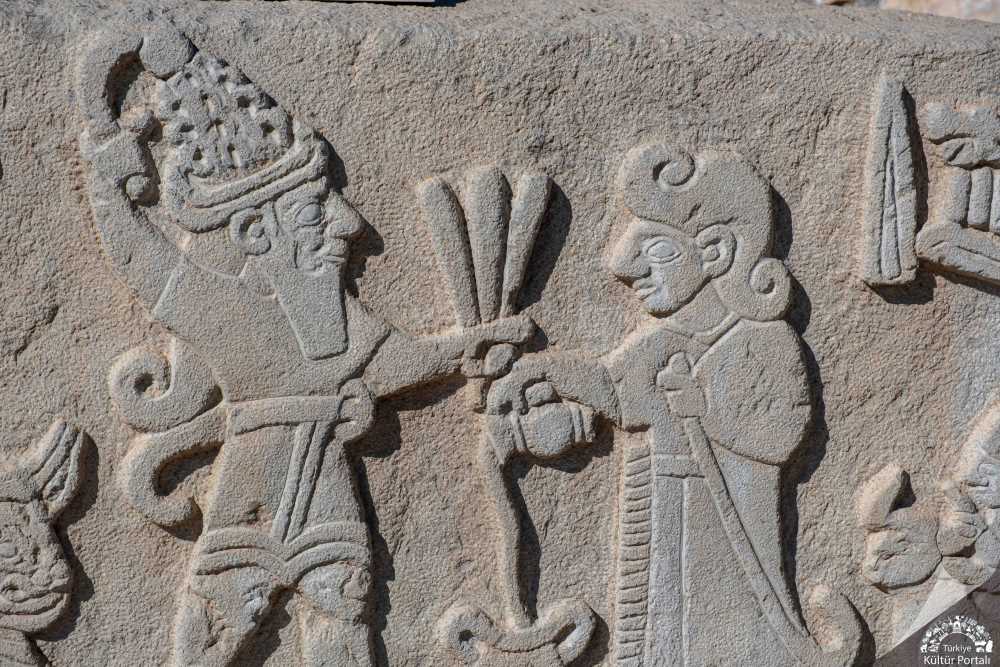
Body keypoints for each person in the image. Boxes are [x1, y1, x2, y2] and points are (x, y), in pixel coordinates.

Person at [81, 40, 530, 667]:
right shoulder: (223, 309)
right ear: (255, 231)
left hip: (327, 497)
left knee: (342, 625)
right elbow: (142, 261)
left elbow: (396, 362)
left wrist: (466, 349)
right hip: (247, 500)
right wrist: (108, 181)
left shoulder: (335, 313)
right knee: (214, 634)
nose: (350, 223)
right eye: (318, 210)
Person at [487, 142, 837, 665]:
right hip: (661, 514)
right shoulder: (660, 343)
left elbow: (781, 435)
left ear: (715, 251)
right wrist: (538, 374)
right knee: (660, 632)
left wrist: (705, 411)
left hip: (726, 527)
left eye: (658, 251)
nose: (627, 268)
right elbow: (615, 393)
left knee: (721, 635)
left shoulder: (761, 339)